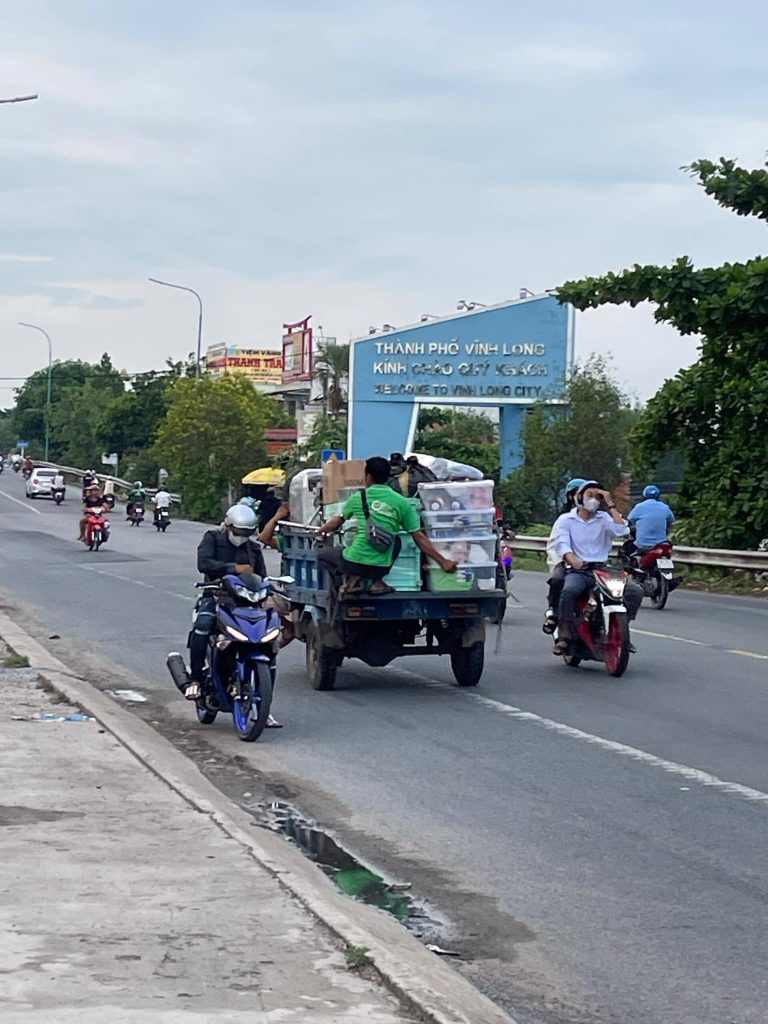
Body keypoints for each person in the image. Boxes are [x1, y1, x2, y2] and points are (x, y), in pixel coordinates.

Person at [317, 456, 458, 595]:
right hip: (380, 567)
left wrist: (321, 531)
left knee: (322, 554)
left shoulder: (358, 498)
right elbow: (418, 537)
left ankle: (352, 580)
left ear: (368, 476)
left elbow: (337, 521)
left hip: (354, 564)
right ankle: (376, 582)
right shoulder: (402, 502)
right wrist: (443, 562)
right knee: (395, 540)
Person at [551, 481, 644, 655]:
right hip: (579, 570)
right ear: (579, 497)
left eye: (597, 497)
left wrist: (610, 504)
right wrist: (573, 560)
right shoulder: (566, 520)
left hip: (603, 570)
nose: (593, 500)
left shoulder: (604, 519)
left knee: (634, 591)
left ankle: (622, 632)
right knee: (569, 591)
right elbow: (562, 544)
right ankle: (564, 634)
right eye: (590, 495)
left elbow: (622, 530)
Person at [187, 504, 267, 700]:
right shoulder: (212, 538)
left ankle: (264, 698)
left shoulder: (253, 549)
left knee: (267, 637)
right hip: (215, 596)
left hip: (245, 602)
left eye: (246, 533)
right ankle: (195, 680)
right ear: (228, 526)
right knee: (203, 625)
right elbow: (203, 564)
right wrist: (234, 568)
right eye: (238, 532)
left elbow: (262, 576)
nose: (242, 537)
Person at [542, 477, 586, 634]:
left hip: (592, 564)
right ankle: (554, 612)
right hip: (566, 562)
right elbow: (554, 545)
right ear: (571, 496)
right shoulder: (564, 518)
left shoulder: (599, 517)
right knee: (558, 580)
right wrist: (564, 561)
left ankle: (620, 631)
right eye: (581, 494)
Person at [627, 485, 675, 551]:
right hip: (661, 545)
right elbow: (671, 522)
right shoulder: (665, 507)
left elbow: (629, 521)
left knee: (627, 550)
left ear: (644, 495)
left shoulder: (639, 507)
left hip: (642, 545)